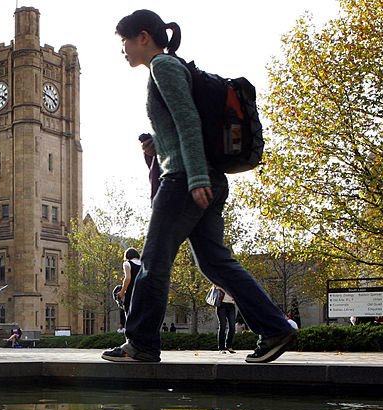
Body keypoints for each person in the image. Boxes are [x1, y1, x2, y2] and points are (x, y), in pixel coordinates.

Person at [103, 10, 297, 364]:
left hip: (185, 183)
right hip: (202, 178)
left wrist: (193, 177)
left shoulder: (163, 66)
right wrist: (159, 145)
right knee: (215, 263)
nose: (123, 50)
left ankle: (141, 344)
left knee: (152, 263)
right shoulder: (171, 68)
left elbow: (188, 121)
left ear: (143, 37)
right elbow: (179, 128)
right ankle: (274, 328)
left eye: (124, 41)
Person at [117, 247, 142, 333]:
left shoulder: (127, 264)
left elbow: (127, 278)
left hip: (132, 292)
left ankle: (131, 340)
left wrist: (122, 291)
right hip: (143, 292)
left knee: (130, 316)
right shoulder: (144, 264)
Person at [215, 285, 237, 354]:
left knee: (232, 326)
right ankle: (221, 348)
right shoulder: (221, 280)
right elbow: (216, 286)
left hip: (231, 305)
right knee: (223, 326)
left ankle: (229, 346)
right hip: (221, 305)